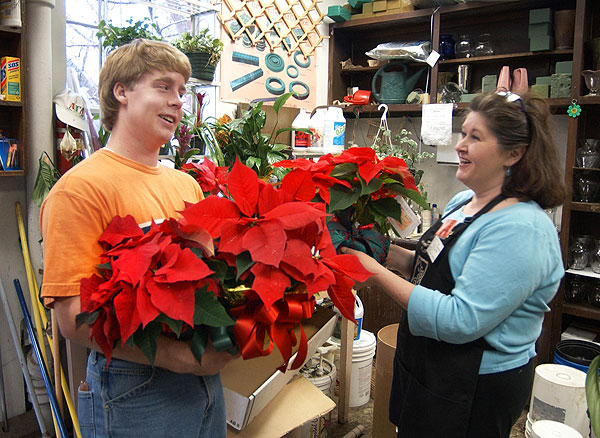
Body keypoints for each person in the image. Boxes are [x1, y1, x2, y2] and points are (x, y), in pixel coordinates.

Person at [40, 39, 235, 438]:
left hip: (203, 381)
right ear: (122, 92)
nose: (178, 101)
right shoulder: (79, 190)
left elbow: (210, 284)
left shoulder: (187, 185)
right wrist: (178, 357)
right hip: (135, 388)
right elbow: (73, 319)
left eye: (182, 91)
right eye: (164, 87)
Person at [344, 92, 568, 438]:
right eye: (463, 133)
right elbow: (432, 268)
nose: (460, 145)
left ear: (514, 153)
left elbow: (460, 319)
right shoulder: (466, 201)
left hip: (474, 385)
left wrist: (375, 274)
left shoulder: (521, 229)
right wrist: (382, 251)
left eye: (475, 137)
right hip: (430, 364)